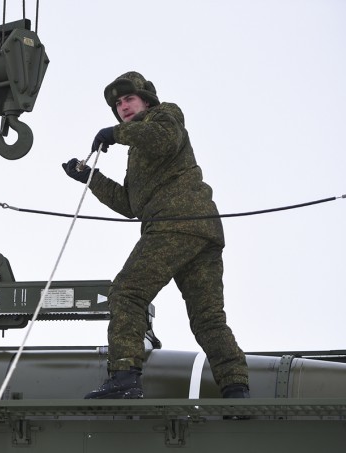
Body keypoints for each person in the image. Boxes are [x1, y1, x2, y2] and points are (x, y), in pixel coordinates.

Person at [62, 71, 249, 400]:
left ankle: (124, 376)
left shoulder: (166, 115)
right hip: (199, 231)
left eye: (128, 99)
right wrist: (90, 177)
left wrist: (116, 134)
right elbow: (131, 205)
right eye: (118, 104)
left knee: (127, 292)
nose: (123, 107)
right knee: (207, 319)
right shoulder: (137, 149)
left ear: (146, 99)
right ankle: (236, 388)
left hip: (176, 224)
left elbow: (161, 138)